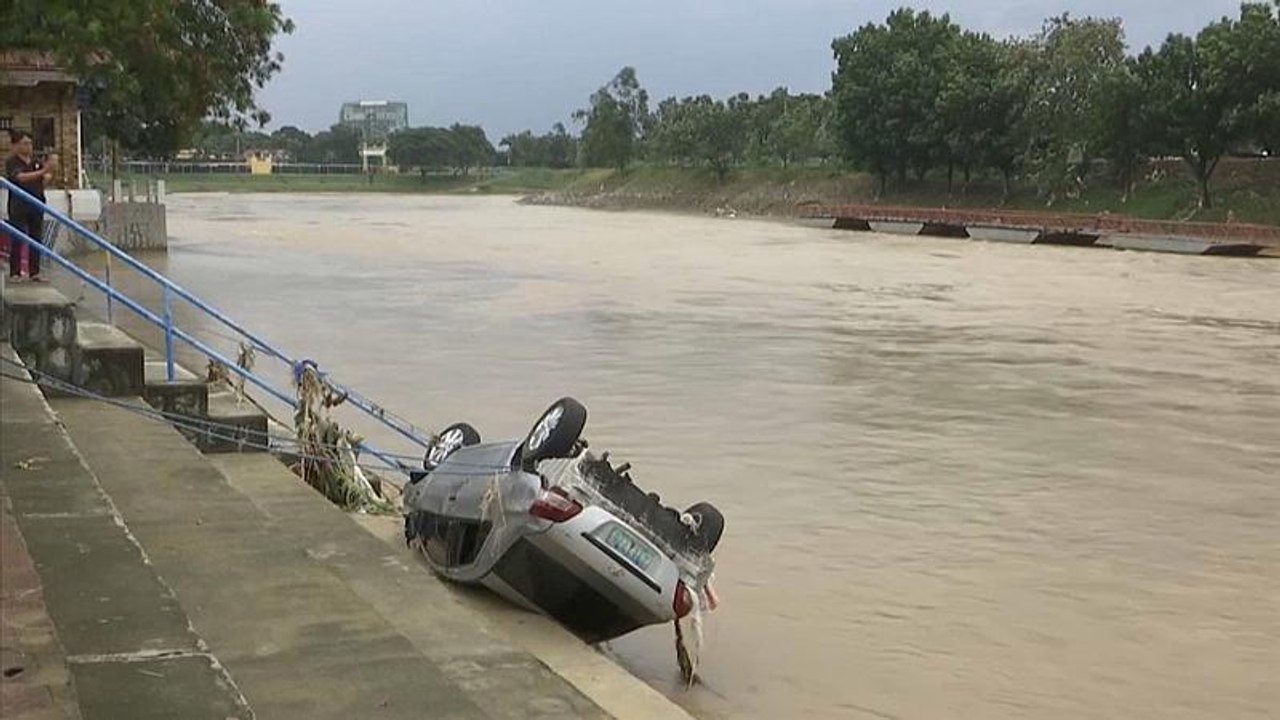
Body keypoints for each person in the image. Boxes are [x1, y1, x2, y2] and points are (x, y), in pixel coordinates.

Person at [5, 129, 57, 282]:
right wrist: (44, 171)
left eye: (30, 143)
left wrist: (51, 170)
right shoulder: (12, 162)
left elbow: (43, 180)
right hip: (18, 205)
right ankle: (15, 272)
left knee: (36, 238)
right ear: (16, 145)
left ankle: (35, 272)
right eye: (25, 143)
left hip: (36, 202)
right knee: (17, 237)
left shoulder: (36, 162)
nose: (29, 147)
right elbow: (20, 178)